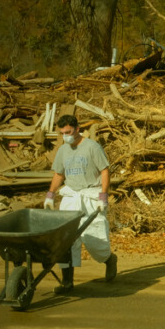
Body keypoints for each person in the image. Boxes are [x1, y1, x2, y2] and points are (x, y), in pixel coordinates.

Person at [43, 114, 117, 293]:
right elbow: (59, 174)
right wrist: (50, 195)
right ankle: (67, 282)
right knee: (66, 240)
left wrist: (103, 196)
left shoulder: (92, 147)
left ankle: (108, 259)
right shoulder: (63, 150)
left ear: (77, 129)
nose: (66, 136)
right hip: (71, 196)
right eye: (62, 133)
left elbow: (104, 171)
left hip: (90, 195)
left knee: (94, 238)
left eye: (68, 132)